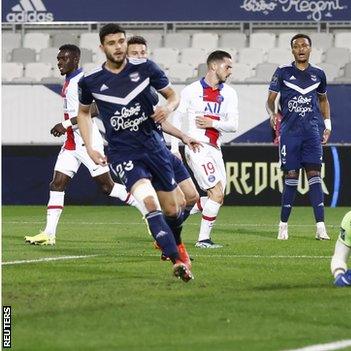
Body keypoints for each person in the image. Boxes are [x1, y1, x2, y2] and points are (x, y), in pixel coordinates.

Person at [75, 24, 192, 282]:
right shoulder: (90, 82)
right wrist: (91, 147)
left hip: (155, 148)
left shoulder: (146, 69)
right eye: (112, 43)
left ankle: (176, 243)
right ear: (102, 47)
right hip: (123, 154)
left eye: (121, 41)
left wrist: (168, 108)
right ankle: (176, 260)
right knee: (149, 203)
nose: (118, 46)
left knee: (173, 210)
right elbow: (83, 113)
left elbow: (173, 96)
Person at [24, 44, 142, 246]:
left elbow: (95, 108)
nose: (59, 62)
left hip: (88, 142)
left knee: (107, 187)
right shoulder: (69, 80)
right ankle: (49, 233)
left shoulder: (82, 81)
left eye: (64, 59)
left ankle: (148, 210)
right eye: (59, 58)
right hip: (71, 142)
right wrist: (67, 127)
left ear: (75, 60)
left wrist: (65, 124)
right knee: (57, 184)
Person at [126, 35, 202, 257]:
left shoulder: (148, 84)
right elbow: (94, 109)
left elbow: (159, 119)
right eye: (135, 53)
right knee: (175, 204)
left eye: (143, 53)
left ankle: (165, 236)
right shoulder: (122, 88)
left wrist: (184, 137)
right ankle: (169, 243)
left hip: (162, 148)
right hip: (147, 153)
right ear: (126, 57)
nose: (140, 57)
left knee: (193, 197)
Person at [266, 33, 332, 241]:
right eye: (297, 46)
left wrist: (327, 125)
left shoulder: (319, 74)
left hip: (311, 132)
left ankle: (321, 227)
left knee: (314, 175)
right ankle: (283, 225)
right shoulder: (283, 72)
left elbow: (323, 100)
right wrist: (273, 113)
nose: (301, 48)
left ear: (310, 49)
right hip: (289, 133)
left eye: (305, 45)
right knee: (291, 177)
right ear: (292, 50)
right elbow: (271, 99)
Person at [170, 50, 238, 249]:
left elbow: (233, 125)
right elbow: (177, 117)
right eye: (228, 66)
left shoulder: (230, 93)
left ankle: (171, 222)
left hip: (216, 149)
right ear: (214, 66)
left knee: (216, 198)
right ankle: (203, 240)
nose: (230, 71)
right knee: (216, 194)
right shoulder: (191, 90)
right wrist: (175, 148)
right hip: (196, 147)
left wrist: (212, 122)